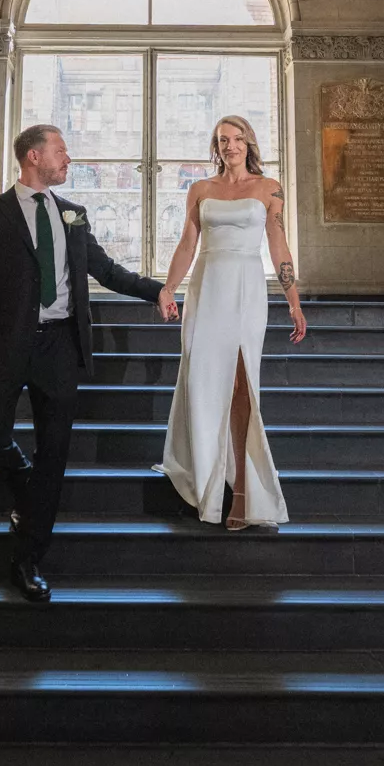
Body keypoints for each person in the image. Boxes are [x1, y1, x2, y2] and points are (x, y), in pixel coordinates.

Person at [0, 124, 175, 602]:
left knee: (55, 453)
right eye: (61, 151)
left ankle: (29, 558)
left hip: (60, 347)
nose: (68, 159)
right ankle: (29, 492)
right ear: (34, 156)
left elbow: (106, 269)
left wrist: (158, 290)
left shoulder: (73, 214)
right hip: (5, 345)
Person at [155, 115, 304, 529]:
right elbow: (188, 244)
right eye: (223, 139)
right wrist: (168, 288)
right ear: (216, 146)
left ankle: (241, 491)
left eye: (237, 138)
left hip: (245, 289)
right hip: (206, 288)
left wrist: (293, 302)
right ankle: (206, 477)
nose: (230, 145)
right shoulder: (201, 189)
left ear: (249, 143)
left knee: (241, 386)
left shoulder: (268, 188)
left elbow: (279, 246)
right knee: (202, 382)